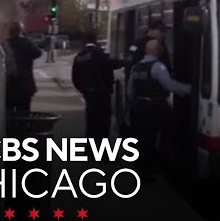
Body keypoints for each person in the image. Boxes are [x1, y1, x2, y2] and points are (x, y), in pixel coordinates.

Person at [127, 39, 191, 179]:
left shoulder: (136, 67)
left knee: (141, 140)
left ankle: (140, 169)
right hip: (154, 108)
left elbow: (130, 91)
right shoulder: (157, 67)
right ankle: (153, 169)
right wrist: (190, 89)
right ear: (156, 51)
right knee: (158, 137)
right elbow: (170, 86)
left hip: (139, 107)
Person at [0, 21, 42, 112]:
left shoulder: (4, 45)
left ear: (10, 32)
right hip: (25, 87)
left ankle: (11, 126)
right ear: (21, 31)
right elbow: (38, 53)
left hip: (8, 86)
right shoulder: (28, 43)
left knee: (8, 115)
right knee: (24, 115)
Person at [71, 32, 115, 141]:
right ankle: (102, 151)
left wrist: (82, 89)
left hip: (88, 92)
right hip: (102, 92)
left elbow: (75, 76)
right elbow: (108, 70)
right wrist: (110, 86)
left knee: (91, 120)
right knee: (103, 123)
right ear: (95, 41)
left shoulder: (79, 56)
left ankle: (89, 148)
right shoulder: (99, 53)